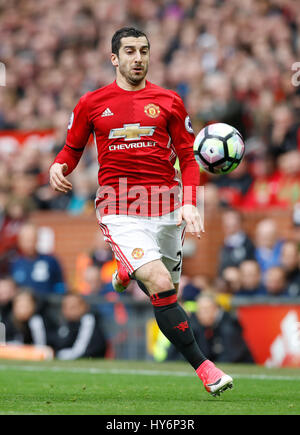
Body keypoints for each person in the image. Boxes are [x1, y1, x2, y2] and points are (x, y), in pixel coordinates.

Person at [49, 27, 233, 396]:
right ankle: (206, 368)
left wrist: (189, 203)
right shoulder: (91, 103)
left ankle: (125, 269)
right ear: (115, 58)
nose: (138, 58)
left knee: (167, 294)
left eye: (144, 51)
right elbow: (72, 149)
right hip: (120, 207)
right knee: (160, 284)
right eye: (130, 51)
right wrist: (58, 166)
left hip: (166, 210)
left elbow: (188, 157)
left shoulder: (169, 101)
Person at [9, 222, 66, 295]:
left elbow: (60, 286)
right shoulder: (14, 263)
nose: (29, 243)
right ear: (20, 241)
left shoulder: (51, 261)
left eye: (31, 239)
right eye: (26, 240)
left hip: (47, 304)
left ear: (37, 239)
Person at [54, 293, 107, 360]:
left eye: (73, 307)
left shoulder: (88, 321)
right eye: (65, 307)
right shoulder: (64, 323)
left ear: (84, 307)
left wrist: (57, 354)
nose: (68, 310)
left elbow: (80, 352)